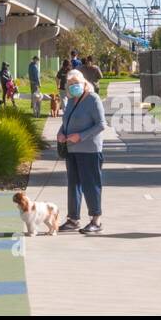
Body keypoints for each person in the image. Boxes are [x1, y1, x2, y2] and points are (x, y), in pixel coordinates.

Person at [57, 69, 106, 234]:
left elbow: (101, 124)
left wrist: (81, 136)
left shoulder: (93, 99)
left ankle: (96, 219)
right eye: (70, 85)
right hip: (71, 150)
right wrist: (61, 132)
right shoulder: (71, 101)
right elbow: (66, 121)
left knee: (90, 185)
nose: (73, 87)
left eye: (76, 84)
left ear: (84, 83)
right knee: (73, 184)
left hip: (90, 149)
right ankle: (73, 219)